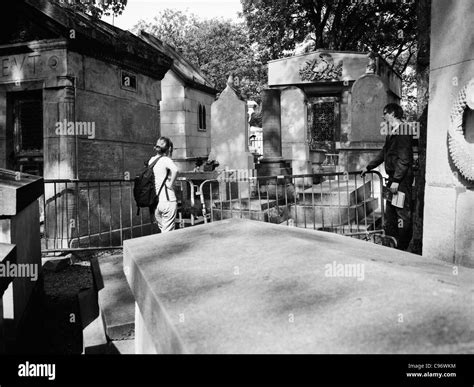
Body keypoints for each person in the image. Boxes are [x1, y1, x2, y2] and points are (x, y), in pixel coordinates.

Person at [361, 103, 414, 250]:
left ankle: (402, 248)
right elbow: (383, 153)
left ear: (392, 113)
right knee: (390, 212)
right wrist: (369, 166)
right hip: (393, 179)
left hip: (400, 181)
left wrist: (396, 180)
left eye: (384, 113)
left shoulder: (404, 130)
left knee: (402, 214)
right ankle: (391, 244)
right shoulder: (393, 131)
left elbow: (404, 159)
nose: (383, 116)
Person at [148, 137, 178, 233]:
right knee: (167, 235)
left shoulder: (152, 160)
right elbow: (175, 170)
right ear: (169, 149)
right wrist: (170, 184)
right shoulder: (166, 160)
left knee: (163, 232)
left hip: (156, 203)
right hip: (168, 200)